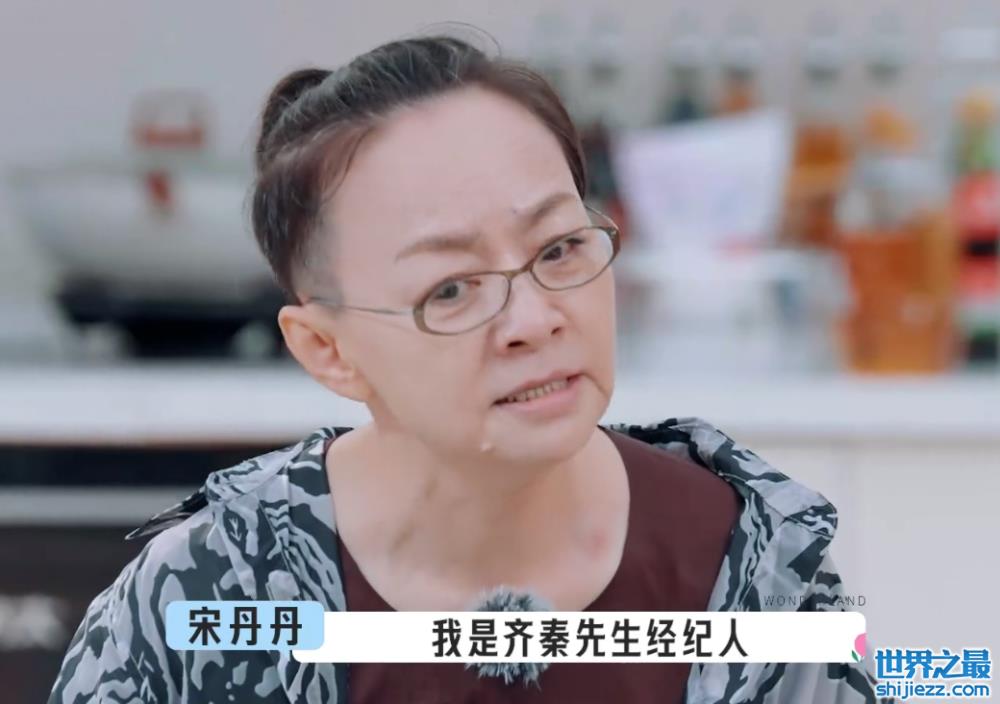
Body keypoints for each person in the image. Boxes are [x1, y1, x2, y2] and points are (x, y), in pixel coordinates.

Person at [48, 32, 894, 703]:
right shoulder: (210, 594)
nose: (534, 319)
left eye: (558, 249)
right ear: (327, 350)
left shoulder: (751, 573)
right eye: (450, 289)